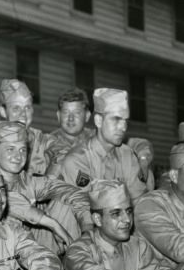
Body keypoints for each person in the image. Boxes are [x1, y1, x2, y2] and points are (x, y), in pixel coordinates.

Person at [59, 88, 148, 232]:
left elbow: (138, 202)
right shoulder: (77, 160)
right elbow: (85, 216)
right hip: (78, 238)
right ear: (98, 120)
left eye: (125, 121)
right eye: (116, 120)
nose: (123, 127)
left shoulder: (127, 155)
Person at [0, 120, 79, 255]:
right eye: (10, 149)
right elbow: (10, 201)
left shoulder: (25, 179)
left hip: (28, 244)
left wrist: (88, 226)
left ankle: (75, 260)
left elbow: (64, 189)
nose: (17, 156)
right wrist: (53, 224)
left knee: (66, 201)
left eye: (22, 150)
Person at [0, 79, 50, 176]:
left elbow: (62, 151)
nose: (23, 114)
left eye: (27, 108)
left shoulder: (42, 141)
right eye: (16, 108)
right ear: (3, 111)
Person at [45, 89, 94, 177]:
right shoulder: (45, 145)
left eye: (77, 113)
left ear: (87, 116)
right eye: (65, 112)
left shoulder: (96, 141)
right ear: (58, 116)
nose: (71, 118)